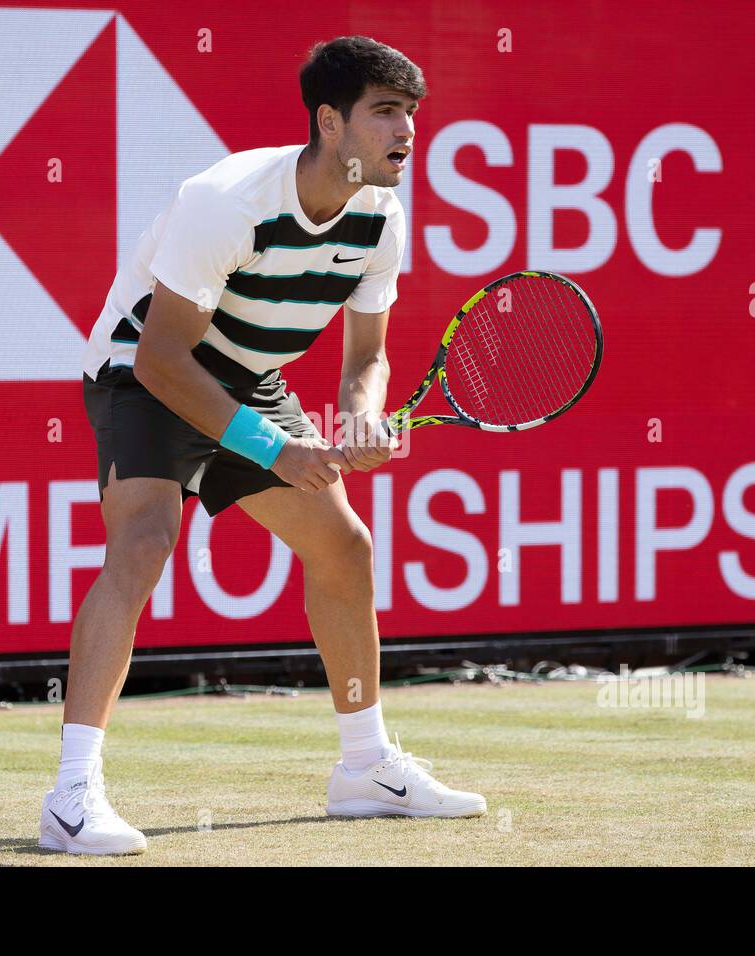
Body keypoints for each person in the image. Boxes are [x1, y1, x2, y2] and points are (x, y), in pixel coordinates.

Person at [40, 35, 485, 856]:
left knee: (345, 547)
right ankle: (71, 794)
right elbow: (163, 359)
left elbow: (367, 359)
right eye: (386, 112)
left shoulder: (381, 216)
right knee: (144, 541)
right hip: (144, 368)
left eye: (411, 114)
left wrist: (360, 416)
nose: (407, 132)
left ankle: (363, 768)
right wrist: (277, 451)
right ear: (330, 121)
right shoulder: (229, 200)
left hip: (252, 375)